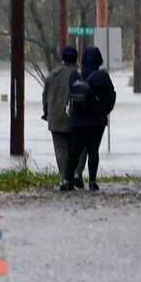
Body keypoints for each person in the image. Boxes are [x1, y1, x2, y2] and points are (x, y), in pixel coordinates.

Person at [61, 46, 115, 192]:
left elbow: (72, 93)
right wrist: (104, 111)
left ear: (83, 59)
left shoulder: (75, 75)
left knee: (74, 151)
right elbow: (111, 96)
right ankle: (92, 181)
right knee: (93, 151)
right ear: (99, 60)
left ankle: (67, 180)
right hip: (97, 121)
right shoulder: (103, 77)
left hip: (77, 120)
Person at [42, 45, 86, 188]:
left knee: (61, 151)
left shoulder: (53, 75)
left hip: (57, 119)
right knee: (79, 149)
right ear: (76, 58)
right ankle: (76, 173)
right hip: (77, 119)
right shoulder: (82, 74)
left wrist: (47, 113)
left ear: (63, 59)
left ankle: (64, 178)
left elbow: (45, 96)